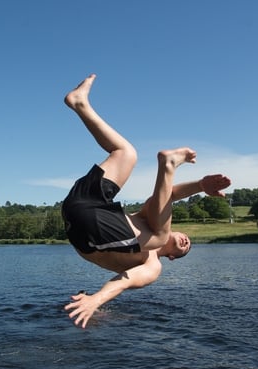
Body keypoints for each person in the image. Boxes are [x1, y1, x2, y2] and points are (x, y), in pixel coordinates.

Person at [61, 74, 231, 328]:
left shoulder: (152, 265)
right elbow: (167, 195)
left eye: (186, 249)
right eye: (188, 240)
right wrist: (200, 186)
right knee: (126, 153)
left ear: (172, 257)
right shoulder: (145, 222)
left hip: (87, 233)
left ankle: (169, 164)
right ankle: (80, 104)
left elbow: (125, 280)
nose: (187, 242)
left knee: (158, 237)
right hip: (82, 204)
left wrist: (96, 299)